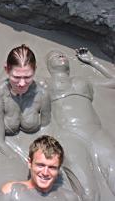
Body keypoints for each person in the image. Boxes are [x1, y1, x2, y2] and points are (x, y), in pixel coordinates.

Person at [45, 48, 115, 200]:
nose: (60, 55)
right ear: (49, 65)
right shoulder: (45, 83)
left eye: (61, 54)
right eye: (54, 56)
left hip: (97, 133)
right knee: (88, 192)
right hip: (70, 136)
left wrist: (92, 61)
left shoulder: (83, 81)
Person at [0, 44, 51, 160]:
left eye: (27, 77)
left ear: (35, 69)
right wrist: (21, 161)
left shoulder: (43, 95)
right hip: (9, 150)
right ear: (6, 70)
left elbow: (47, 129)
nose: (21, 83)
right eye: (16, 77)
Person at [0, 135, 79, 201]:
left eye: (52, 167)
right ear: (30, 163)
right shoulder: (11, 191)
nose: (45, 173)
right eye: (40, 165)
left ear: (58, 169)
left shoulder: (69, 198)